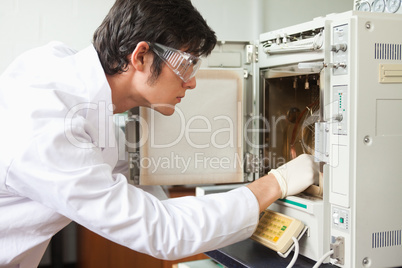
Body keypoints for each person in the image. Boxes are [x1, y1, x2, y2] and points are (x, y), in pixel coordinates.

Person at [0, 0, 318, 266]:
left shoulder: (66, 70)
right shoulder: (47, 128)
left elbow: (148, 198)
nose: (192, 82)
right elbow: (163, 230)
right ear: (140, 56)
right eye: (187, 64)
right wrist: (276, 183)